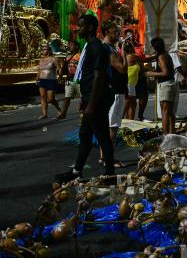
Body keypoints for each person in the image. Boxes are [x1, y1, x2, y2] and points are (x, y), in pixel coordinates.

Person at [58, 14, 115, 182]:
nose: (77, 29)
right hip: (92, 97)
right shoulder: (90, 46)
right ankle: (77, 171)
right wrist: (85, 99)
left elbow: (99, 77)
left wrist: (91, 104)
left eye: (81, 26)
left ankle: (109, 173)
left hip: (97, 98)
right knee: (86, 134)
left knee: (101, 134)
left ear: (90, 27)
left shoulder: (96, 47)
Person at [102, 22, 127, 168]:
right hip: (116, 91)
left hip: (113, 90)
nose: (118, 34)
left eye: (118, 31)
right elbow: (122, 69)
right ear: (106, 32)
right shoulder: (109, 50)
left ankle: (104, 157)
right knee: (113, 127)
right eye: (115, 31)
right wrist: (123, 50)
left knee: (109, 126)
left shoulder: (109, 48)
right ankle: (109, 159)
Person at [146, 38, 178, 134]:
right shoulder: (164, 54)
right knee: (169, 111)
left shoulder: (161, 56)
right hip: (170, 83)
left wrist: (151, 73)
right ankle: (171, 132)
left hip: (165, 85)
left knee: (165, 112)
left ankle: (165, 134)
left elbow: (165, 72)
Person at [36, 45, 62, 119]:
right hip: (42, 80)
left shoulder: (54, 59)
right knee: (42, 97)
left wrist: (59, 77)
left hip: (51, 80)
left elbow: (59, 69)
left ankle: (59, 109)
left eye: (45, 49)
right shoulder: (41, 59)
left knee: (50, 99)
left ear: (49, 50)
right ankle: (45, 114)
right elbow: (39, 70)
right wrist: (37, 78)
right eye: (42, 49)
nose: (43, 50)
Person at [57, 41, 81, 119]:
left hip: (78, 80)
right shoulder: (67, 57)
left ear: (76, 47)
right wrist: (60, 77)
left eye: (71, 45)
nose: (69, 46)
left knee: (83, 97)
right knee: (67, 97)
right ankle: (63, 113)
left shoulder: (80, 56)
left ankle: (85, 111)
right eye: (68, 45)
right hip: (69, 80)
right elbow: (64, 69)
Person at [124, 42, 141, 119]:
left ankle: (129, 122)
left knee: (131, 104)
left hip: (131, 83)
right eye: (132, 47)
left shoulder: (126, 56)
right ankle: (120, 121)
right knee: (129, 104)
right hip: (129, 83)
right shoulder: (131, 56)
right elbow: (142, 59)